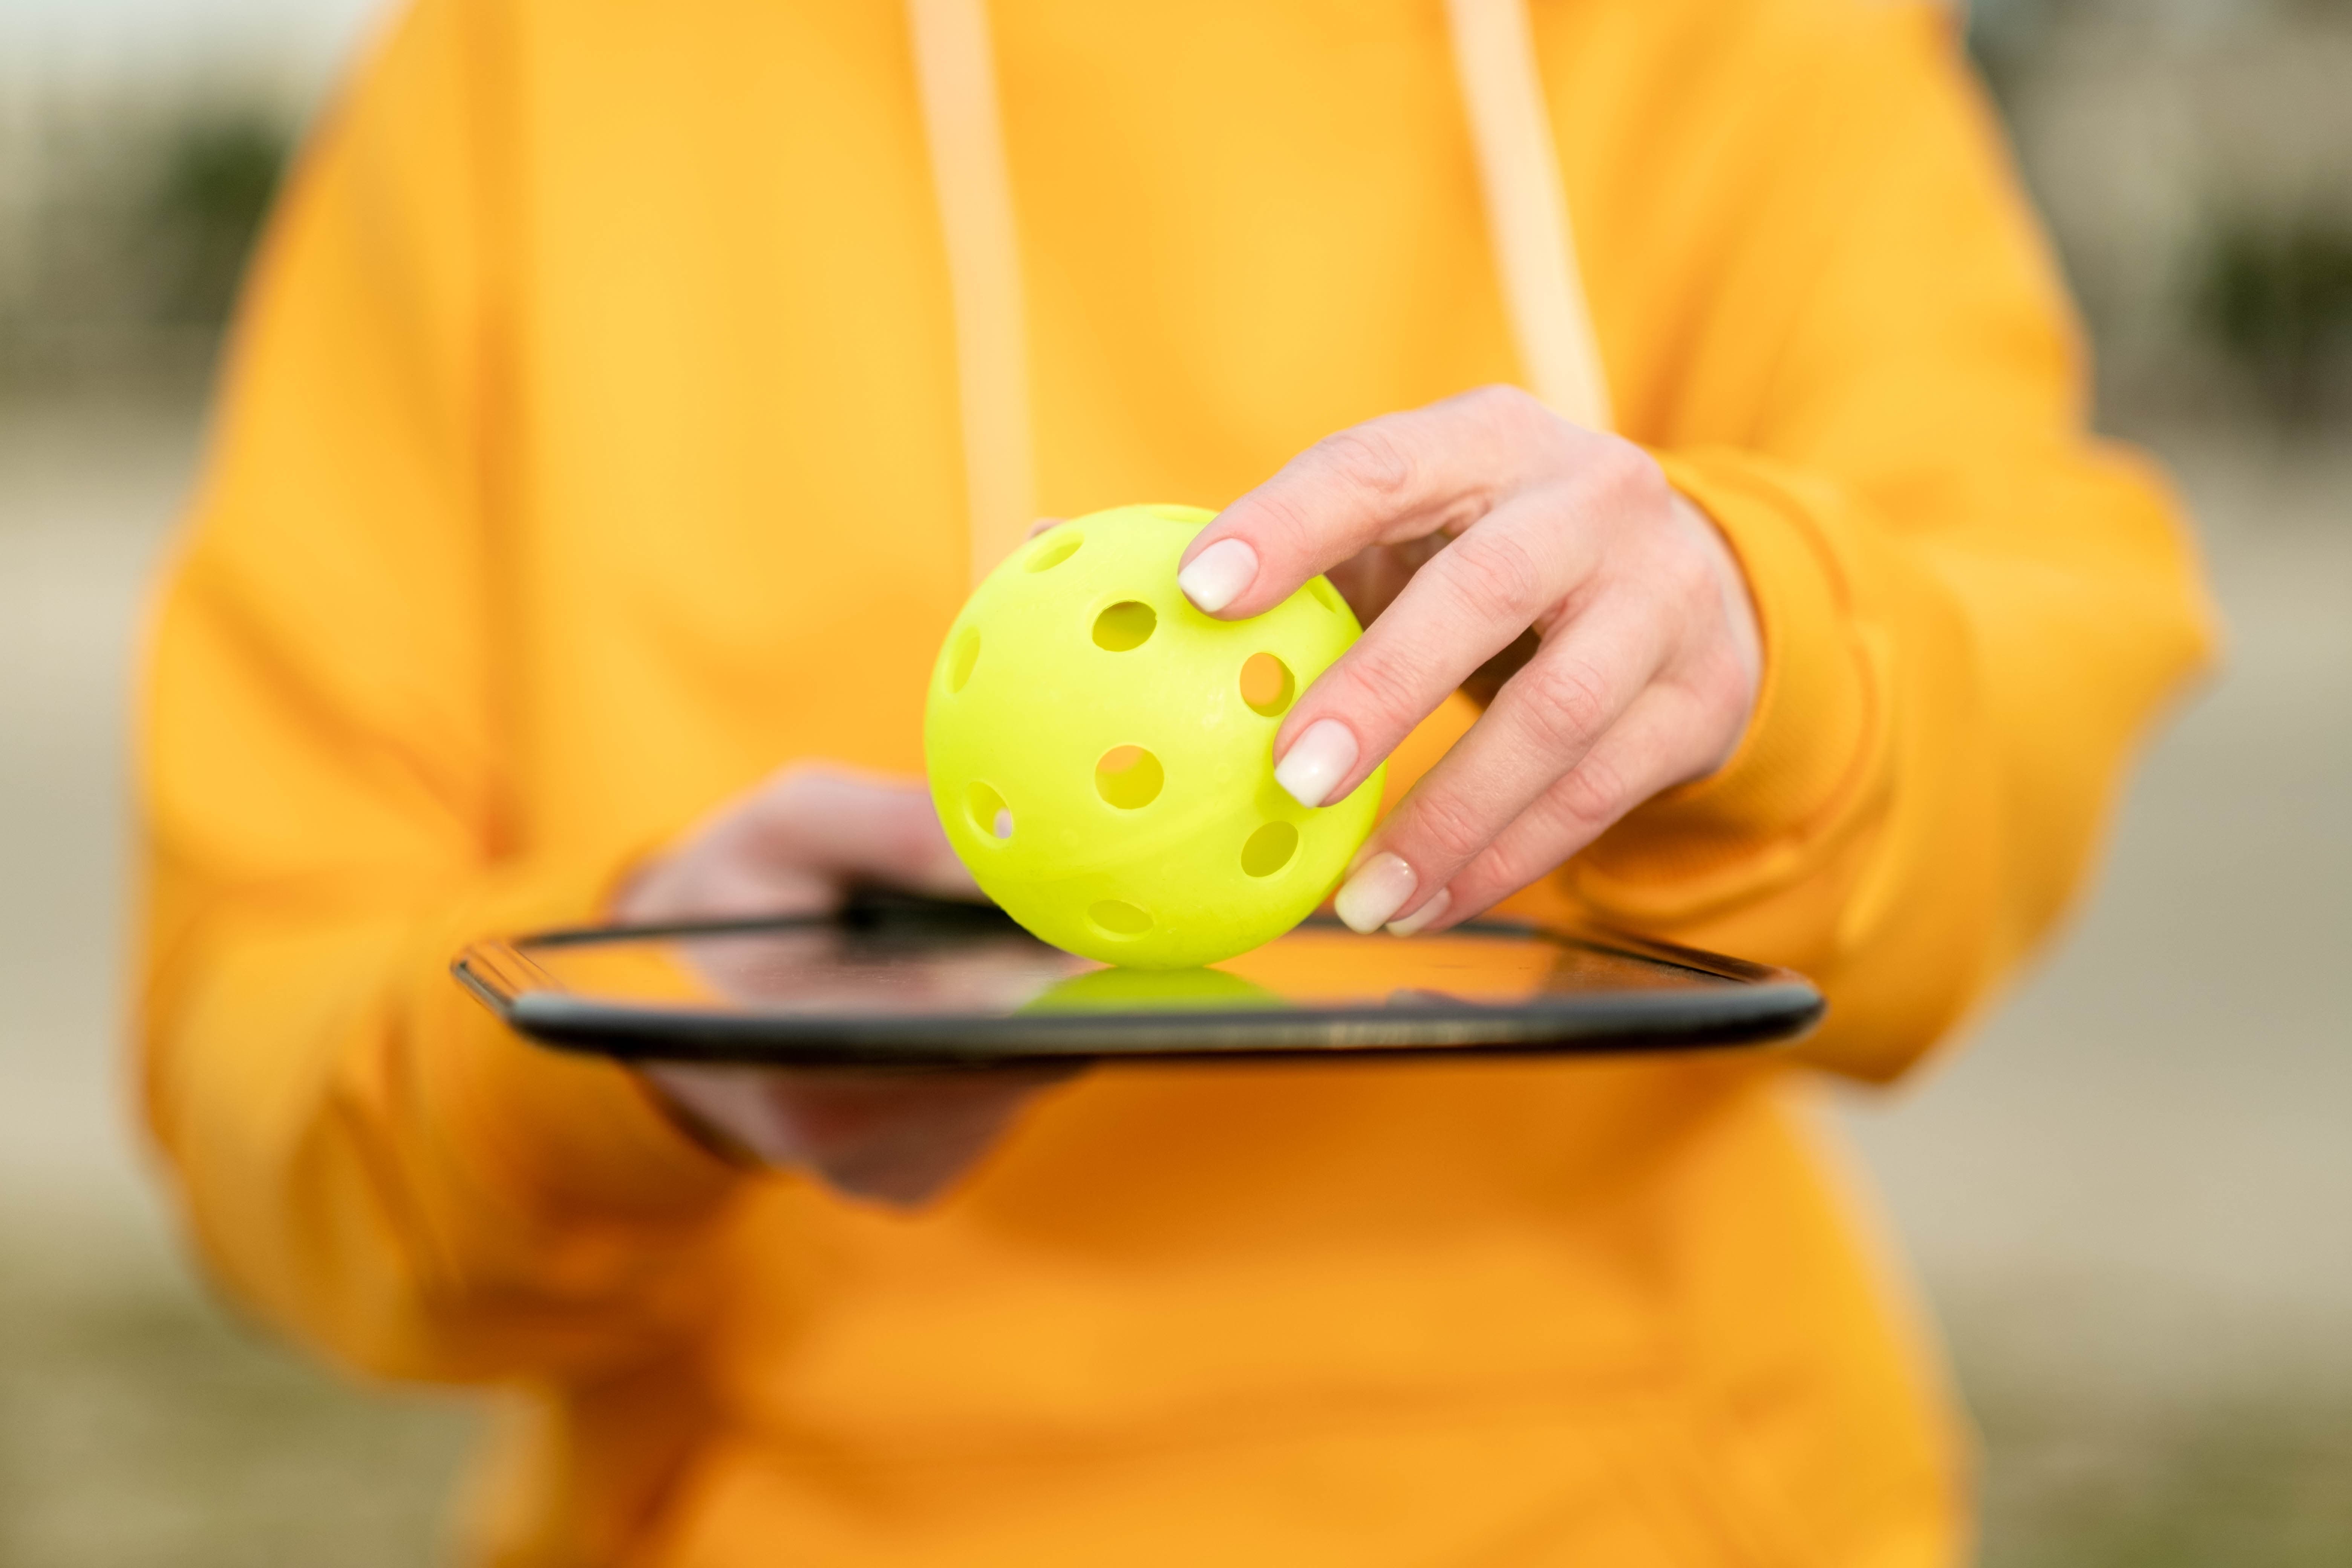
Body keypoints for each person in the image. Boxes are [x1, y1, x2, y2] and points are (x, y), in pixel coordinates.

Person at [136, 0, 2214, 1561]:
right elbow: (259, 1031)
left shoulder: (1725, 31)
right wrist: (628, 1044)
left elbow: (2025, 663)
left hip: (1651, 1507)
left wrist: (1765, 630)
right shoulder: (526, 66)